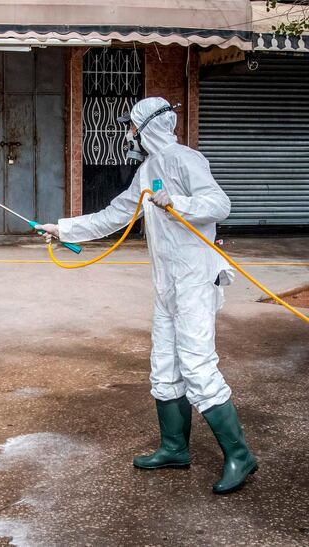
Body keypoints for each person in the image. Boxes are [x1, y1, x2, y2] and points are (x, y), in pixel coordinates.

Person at [40, 97, 257, 494]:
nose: (129, 134)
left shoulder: (184, 159)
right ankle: (174, 448)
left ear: (148, 127)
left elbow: (219, 204)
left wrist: (180, 204)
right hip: (168, 285)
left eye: (132, 127)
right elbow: (113, 215)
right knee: (164, 365)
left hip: (194, 281)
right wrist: (62, 229)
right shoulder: (147, 171)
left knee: (197, 366)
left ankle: (240, 455)